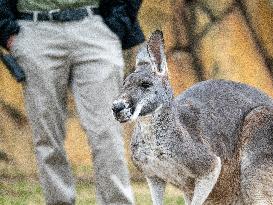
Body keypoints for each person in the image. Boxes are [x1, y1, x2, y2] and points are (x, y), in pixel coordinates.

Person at [0, 0, 145, 204]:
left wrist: (118, 24)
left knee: (107, 132)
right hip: (34, 30)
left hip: (95, 27)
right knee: (47, 137)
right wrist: (7, 32)